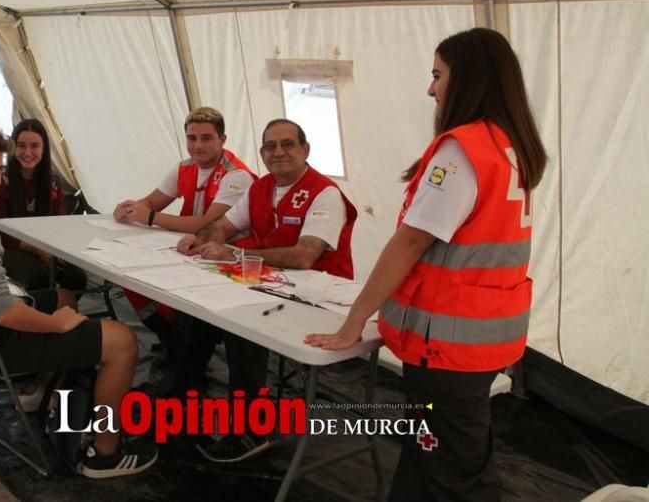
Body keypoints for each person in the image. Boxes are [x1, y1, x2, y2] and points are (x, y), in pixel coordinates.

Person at [305, 28, 547, 501]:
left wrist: (355, 320)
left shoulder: (462, 151)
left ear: (469, 79)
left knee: (453, 471)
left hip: (447, 346)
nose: (430, 88)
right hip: (483, 336)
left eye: (438, 75)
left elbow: (412, 240)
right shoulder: (509, 146)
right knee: (433, 452)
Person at [0, 121, 157, 479]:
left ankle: (43, 387)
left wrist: (46, 308)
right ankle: (105, 454)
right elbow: (1, 310)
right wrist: (55, 324)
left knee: (64, 294)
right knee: (123, 341)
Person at [177, 118, 358, 462]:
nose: (278, 152)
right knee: (198, 311)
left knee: (242, 326)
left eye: (288, 144)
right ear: (261, 153)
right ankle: (183, 402)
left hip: (319, 299)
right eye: (270, 146)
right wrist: (200, 241)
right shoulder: (261, 188)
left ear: (305, 150)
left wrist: (236, 254)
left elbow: (305, 257)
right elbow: (224, 227)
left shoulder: (324, 193)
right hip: (272, 285)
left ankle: (250, 428)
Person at [112, 106, 256, 359]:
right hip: (190, 249)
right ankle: (172, 341)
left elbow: (204, 224)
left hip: (224, 258)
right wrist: (128, 209)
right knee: (129, 280)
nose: (197, 146)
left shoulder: (237, 175)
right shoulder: (184, 168)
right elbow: (149, 203)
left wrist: (151, 217)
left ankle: (181, 348)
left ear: (223, 140)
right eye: (192, 138)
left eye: (206, 138)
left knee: (167, 291)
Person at [0, 118, 87, 292]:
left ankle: (61, 313)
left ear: (44, 149)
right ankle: (41, 315)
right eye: (21, 145)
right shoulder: (0, 179)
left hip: (44, 245)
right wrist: (36, 249)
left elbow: (60, 222)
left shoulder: (53, 181)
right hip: (10, 247)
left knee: (76, 278)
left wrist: (53, 250)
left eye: (34, 146)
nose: (27, 152)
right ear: (13, 148)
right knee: (38, 277)